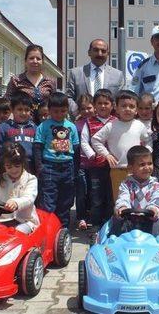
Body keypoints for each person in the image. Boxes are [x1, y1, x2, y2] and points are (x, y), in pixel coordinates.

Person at [91, 90, 152, 201]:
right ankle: (121, 218)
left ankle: (136, 218)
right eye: (123, 106)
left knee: (138, 198)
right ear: (116, 108)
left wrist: (145, 154)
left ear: (136, 110)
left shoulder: (139, 125)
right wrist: (107, 155)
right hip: (117, 170)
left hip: (137, 170)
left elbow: (148, 141)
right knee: (119, 199)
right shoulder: (111, 125)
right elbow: (95, 140)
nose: (127, 109)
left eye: (131, 106)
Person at [33, 92, 79, 228]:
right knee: (48, 200)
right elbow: (37, 147)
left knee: (66, 200)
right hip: (49, 167)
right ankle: (48, 227)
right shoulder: (44, 126)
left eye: (63, 111)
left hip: (68, 167)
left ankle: (63, 228)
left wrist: (75, 168)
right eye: (55, 111)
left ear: (67, 110)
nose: (59, 114)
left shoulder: (71, 126)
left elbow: (76, 148)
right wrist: (39, 166)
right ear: (49, 110)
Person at [0, 142, 40, 234]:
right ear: (4, 166)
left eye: (17, 166)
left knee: (17, 233)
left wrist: (16, 202)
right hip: (2, 221)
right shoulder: (0, 179)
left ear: (23, 163)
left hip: (25, 221)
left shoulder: (30, 179)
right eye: (9, 167)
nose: (13, 170)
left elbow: (29, 198)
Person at [81, 89, 117, 232]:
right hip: (96, 166)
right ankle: (95, 225)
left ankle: (110, 224)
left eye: (106, 103)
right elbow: (84, 141)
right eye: (99, 103)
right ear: (94, 105)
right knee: (96, 197)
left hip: (114, 166)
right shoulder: (89, 122)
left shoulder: (117, 121)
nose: (103, 106)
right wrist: (92, 155)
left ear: (112, 105)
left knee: (112, 196)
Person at [111, 145, 159, 237]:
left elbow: (157, 200)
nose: (147, 167)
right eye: (142, 165)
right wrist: (122, 207)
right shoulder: (126, 185)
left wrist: (153, 208)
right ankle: (116, 243)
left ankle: (157, 244)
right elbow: (123, 197)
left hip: (149, 220)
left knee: (158, 222)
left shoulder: (156, 186)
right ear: (130, 168)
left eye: (149, 163)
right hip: (129, 219)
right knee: (116, 219)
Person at [65, 39, 126, 116]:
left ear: (108, 54)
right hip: (83, 121)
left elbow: (121, 100)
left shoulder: (117, 75)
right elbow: (68, 97)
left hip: (109, 123)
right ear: (89, 52)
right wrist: (78, 112)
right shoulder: (76, 73)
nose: (99, 54)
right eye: (96, 50)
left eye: (103, 51)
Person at [5, 44, 54, 124]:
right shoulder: (16, 80)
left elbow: (55, 104)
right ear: (25, 61)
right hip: (22, 128)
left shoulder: (50, 81)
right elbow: (7, 102)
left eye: (38, 59)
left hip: (46, 126)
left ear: (42, 61)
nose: (35, 61)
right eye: (31, 58)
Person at [0, 94, 36, 173]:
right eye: (19, 109)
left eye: (27, 110)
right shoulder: (3, 127)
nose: (23, 113)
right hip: (11, 166)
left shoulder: (35, 128)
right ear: (12, 109)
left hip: (30, 166)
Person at [75, 93, 95, 230]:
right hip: (81, 163)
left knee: (94, 192)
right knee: (81, 192)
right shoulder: (76, 124)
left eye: (89, 108)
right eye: (83, 109)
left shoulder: (98, 122)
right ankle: (81, 217)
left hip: (95, 164)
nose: (86, 111)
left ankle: (92, 216)